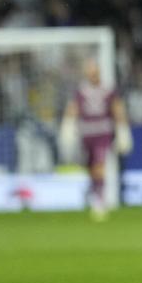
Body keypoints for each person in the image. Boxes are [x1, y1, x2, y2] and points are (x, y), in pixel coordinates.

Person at [59, 58, 132, 221]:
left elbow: (117, 108)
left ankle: (99, 202)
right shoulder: (81, 91)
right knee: (91, 168)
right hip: (86, 133)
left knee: (100, 165)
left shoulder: (108, 90)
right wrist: (68, 126)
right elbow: (74, 108)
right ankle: (95, 195)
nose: (93, 75)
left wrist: (122, 130)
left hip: (103, 132)